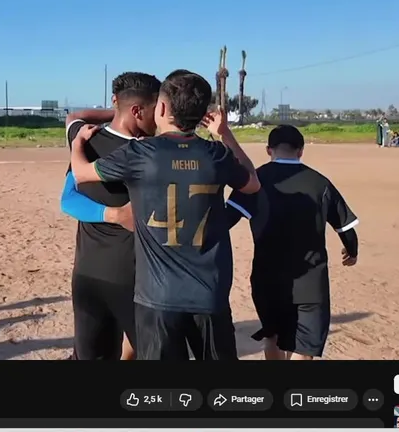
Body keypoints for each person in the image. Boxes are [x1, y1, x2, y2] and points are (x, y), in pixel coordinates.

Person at [70, 70, 262, 361]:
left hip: (157, 298)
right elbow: (253, 182)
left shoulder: (140, 153)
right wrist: (225, 134)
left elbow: (81, 174)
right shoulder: (216, 155)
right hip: (209, 295)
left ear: (160, 108)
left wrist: (77, 144)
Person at [228, 125, 358, 361]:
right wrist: (352, 251)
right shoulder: (320, 183)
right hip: (311, 283)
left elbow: (225, 219)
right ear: (301, 151)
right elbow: (346, 228)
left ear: (269, 150)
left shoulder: (256, 181)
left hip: (267, 278)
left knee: (272, 336)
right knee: (304, 346)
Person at [60, 72, 160, 361]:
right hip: (133, 277)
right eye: (156, 109)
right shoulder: (147, 154)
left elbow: (68, 200)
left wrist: (118, 109)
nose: (159, 118)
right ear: (138, 111)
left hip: (87, 272)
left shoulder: (84, 139)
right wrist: (116, 214)